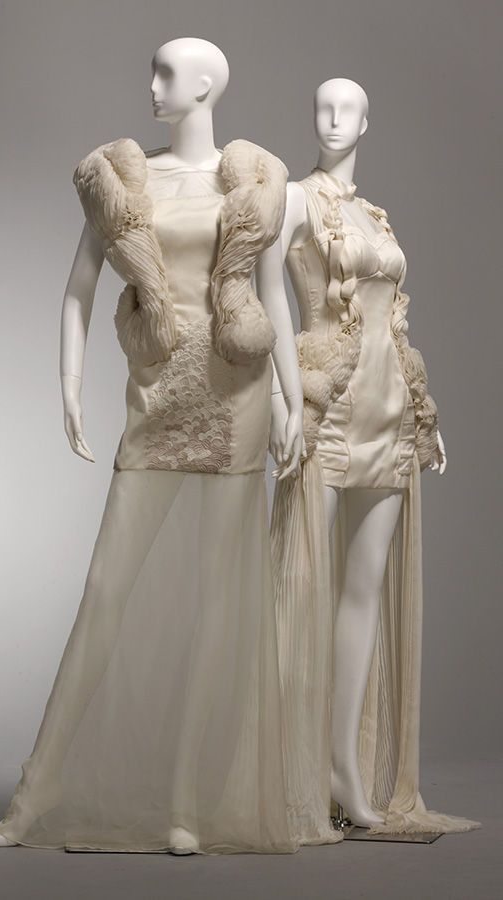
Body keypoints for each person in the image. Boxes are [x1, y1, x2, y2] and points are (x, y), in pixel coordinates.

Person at [0, 38, 304, 854]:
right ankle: (40, 782)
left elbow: (274, 296)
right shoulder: (121, 180)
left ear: (206, 85)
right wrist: (67, 385)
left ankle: (185, 799)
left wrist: (289, 400)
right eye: (154, 70)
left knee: (217, 602)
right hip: (157, 396)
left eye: (167, 72)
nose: (152, 84)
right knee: (106, 589)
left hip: (236, 398)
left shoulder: (256, 180)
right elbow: (79, 288)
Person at [258, 78, 479, 838]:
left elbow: (393, 324)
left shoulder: (374, 215)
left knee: (363, 594)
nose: (332, 118)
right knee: (301, 589)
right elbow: (269, 298)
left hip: (391, 412)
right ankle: (285, 771)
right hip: (326, 408)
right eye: (322, 106)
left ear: (366, 122)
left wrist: (426, 413)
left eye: (347, 108)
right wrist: (284, 398)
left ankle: (342, 770)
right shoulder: (293, 199)